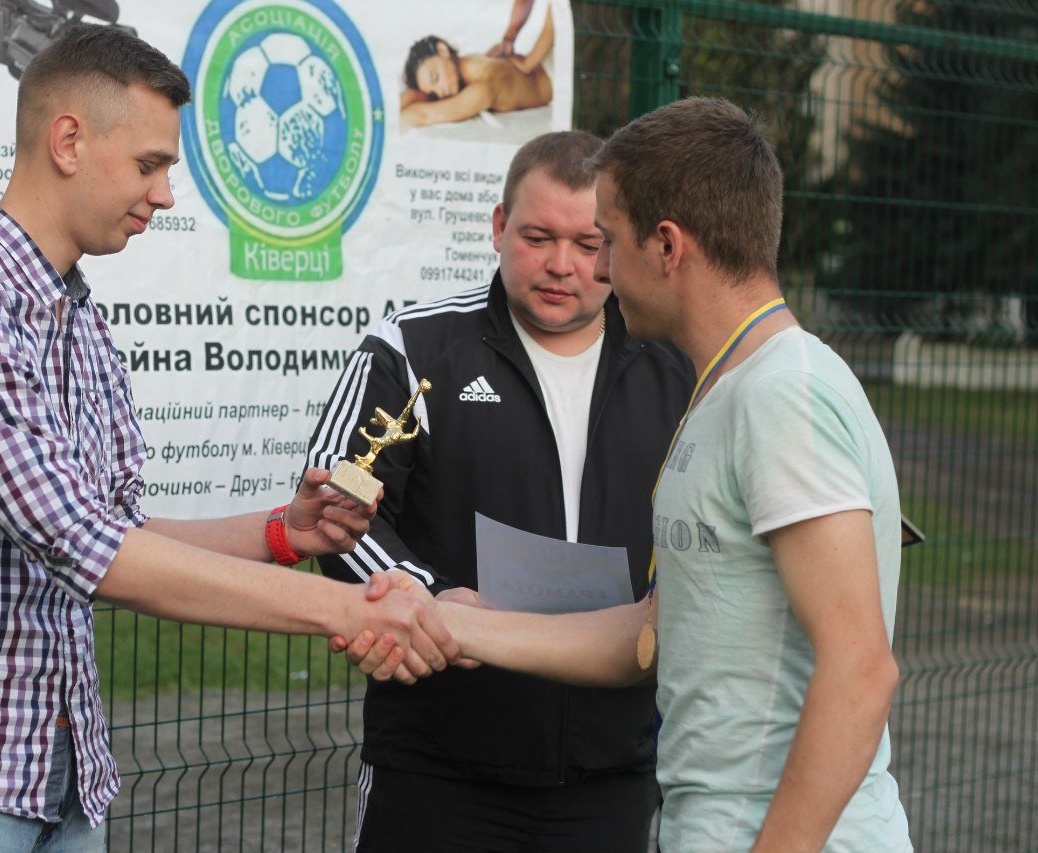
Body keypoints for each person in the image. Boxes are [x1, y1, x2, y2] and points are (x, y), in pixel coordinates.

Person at [0, 24, 457, 851]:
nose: (165, 194)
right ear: (68, 142)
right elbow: (82, 544)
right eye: (150, 164)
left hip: (53, 775)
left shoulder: (77, 318)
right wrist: (350, 607)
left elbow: (114, 528)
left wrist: (281, 534)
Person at [356, 97, 913, 852]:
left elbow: (861, 670)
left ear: (667, 246)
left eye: (607, 241)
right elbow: (651, 630)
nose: (596, 269)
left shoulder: (784, 396)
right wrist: (444, 619)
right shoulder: (724, 388)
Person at [307, 131, 693, 852]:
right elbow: (336, 511)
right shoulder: (411, 349)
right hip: (438, 761)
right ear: (498, 226)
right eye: (537, 237)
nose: (561, 265)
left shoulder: (676, 365)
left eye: (589, 244)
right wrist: (430, 600)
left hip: (614, 765)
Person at [399, 6, 554, 132]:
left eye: (435, 78)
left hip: (559, 72)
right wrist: (509, 39)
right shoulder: (476, 61)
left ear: (442, 50)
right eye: (433, 93)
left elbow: (422, 115)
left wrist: (528, 62)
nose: (440, 93)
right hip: (550, 58)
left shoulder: (483, 88)